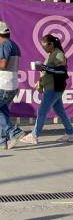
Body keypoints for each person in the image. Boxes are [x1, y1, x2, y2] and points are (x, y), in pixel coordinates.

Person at [18, 35, 73, 145]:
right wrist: (40, 82)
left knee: (42, 111)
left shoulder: (58, 54)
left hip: (54, 88)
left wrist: (44, 67)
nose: (43, 48)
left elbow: (62, 71)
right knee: (60, 111)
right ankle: (70, 133)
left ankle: (34, 135)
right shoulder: (51, 55)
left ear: (51, 44)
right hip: (51, 87)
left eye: (44, 46)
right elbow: (48, 72)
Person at [0, 21, 24, 149]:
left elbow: (3, 65)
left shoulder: (5, 45)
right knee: (2, 111)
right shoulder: (14, 45)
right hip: (11, 84)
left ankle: (14, 132)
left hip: (4, 84)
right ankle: (3, 141)